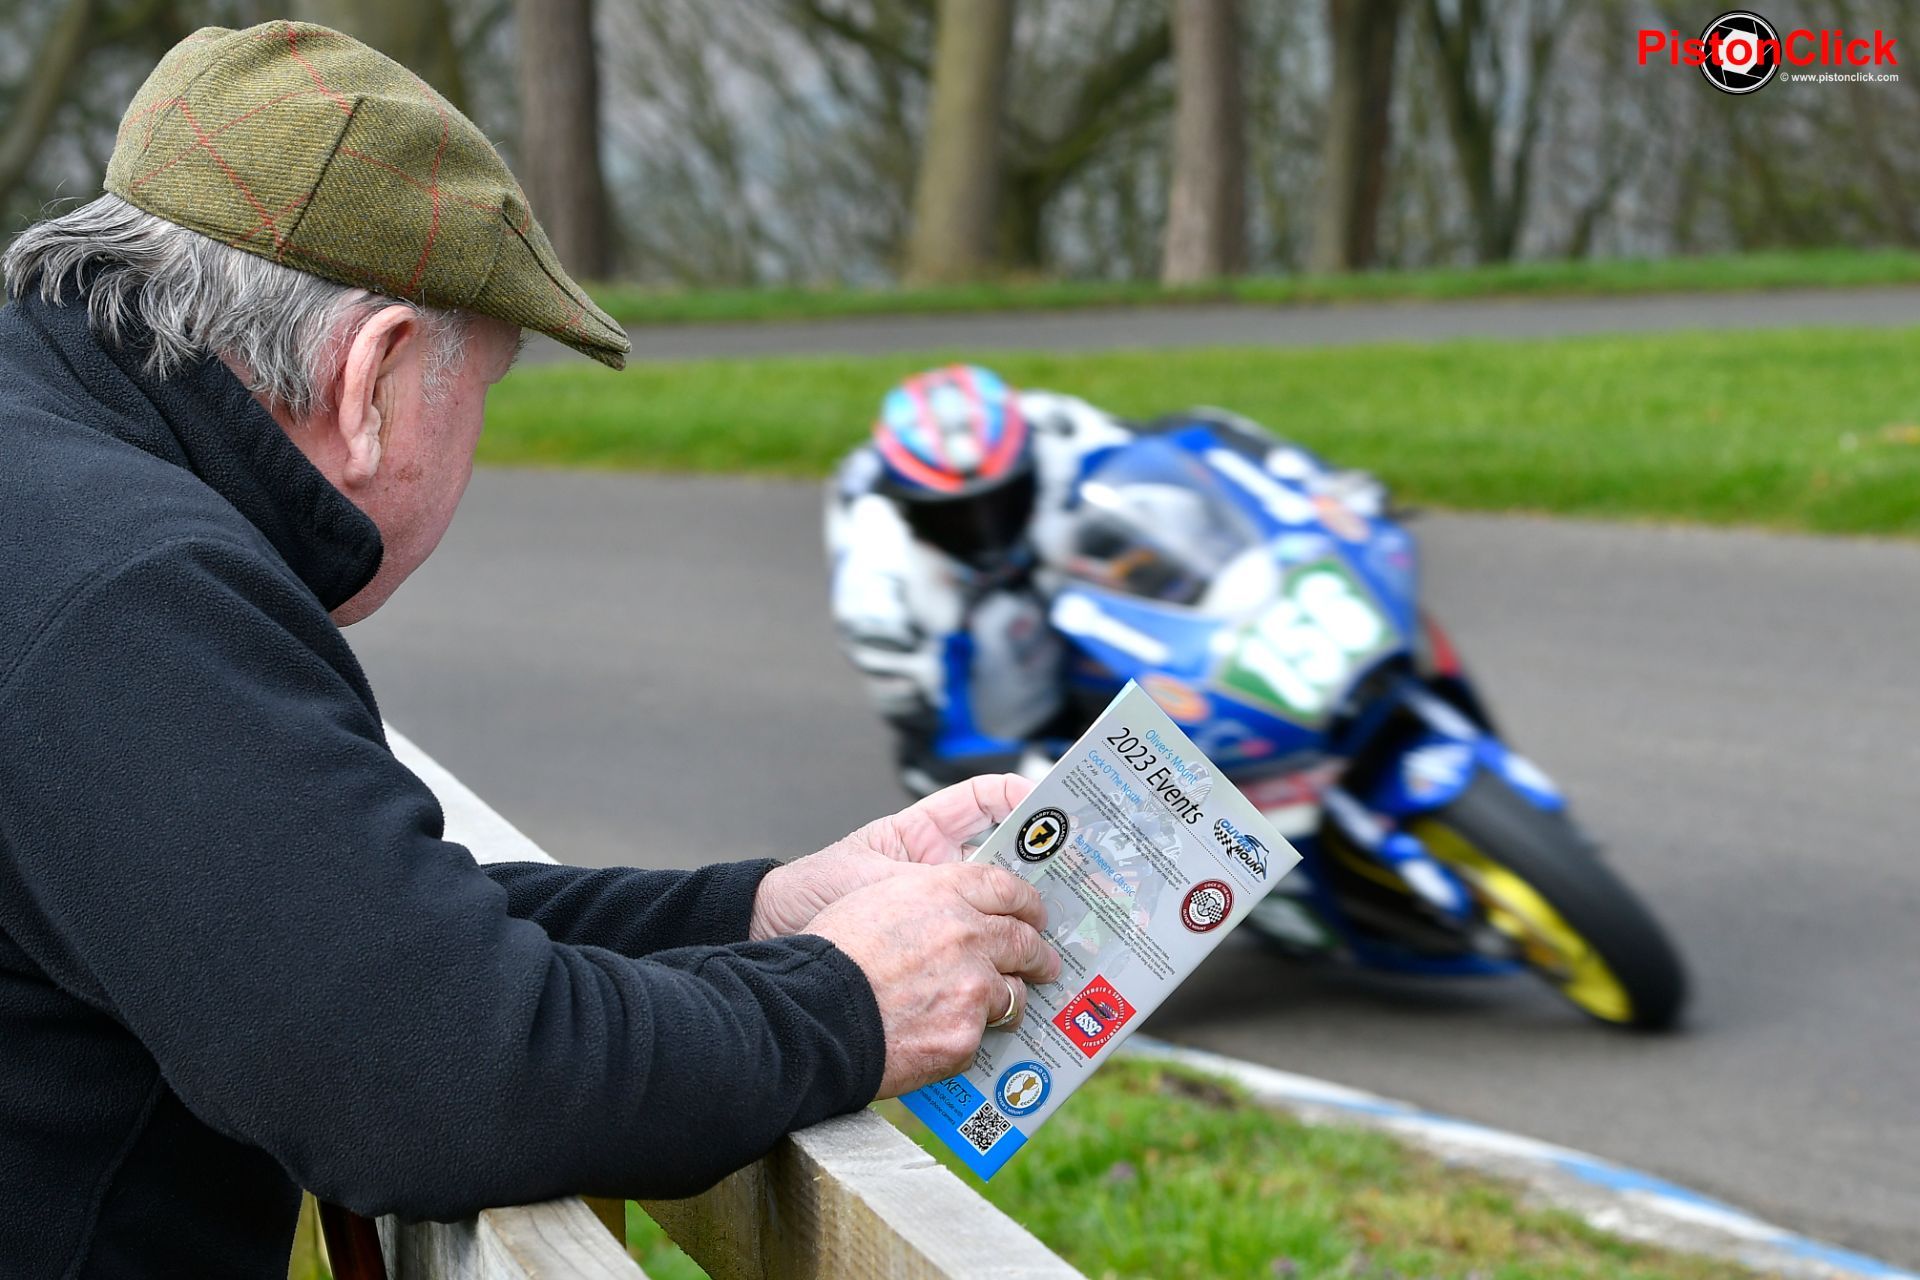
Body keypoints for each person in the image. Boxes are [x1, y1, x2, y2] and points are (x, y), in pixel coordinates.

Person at [0, 25, 1058, 1280]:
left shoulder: (57, 495)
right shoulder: (137, 592)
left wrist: (767, 914)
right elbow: (436, 1069)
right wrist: (847, 1002)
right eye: (483, 389)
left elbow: (336, 926)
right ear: (373, 373)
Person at [825, 364, 1384, 793]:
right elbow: (935, 739)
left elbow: (1188, 436)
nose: (983, 526)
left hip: (1058, 550)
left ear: (1027, 462)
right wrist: (1037, 779)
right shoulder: (877, 588)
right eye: (954, 513)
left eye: (1001, 499)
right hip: (969, 622)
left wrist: (1321, 485)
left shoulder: (1053, 428)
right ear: (905, 506)